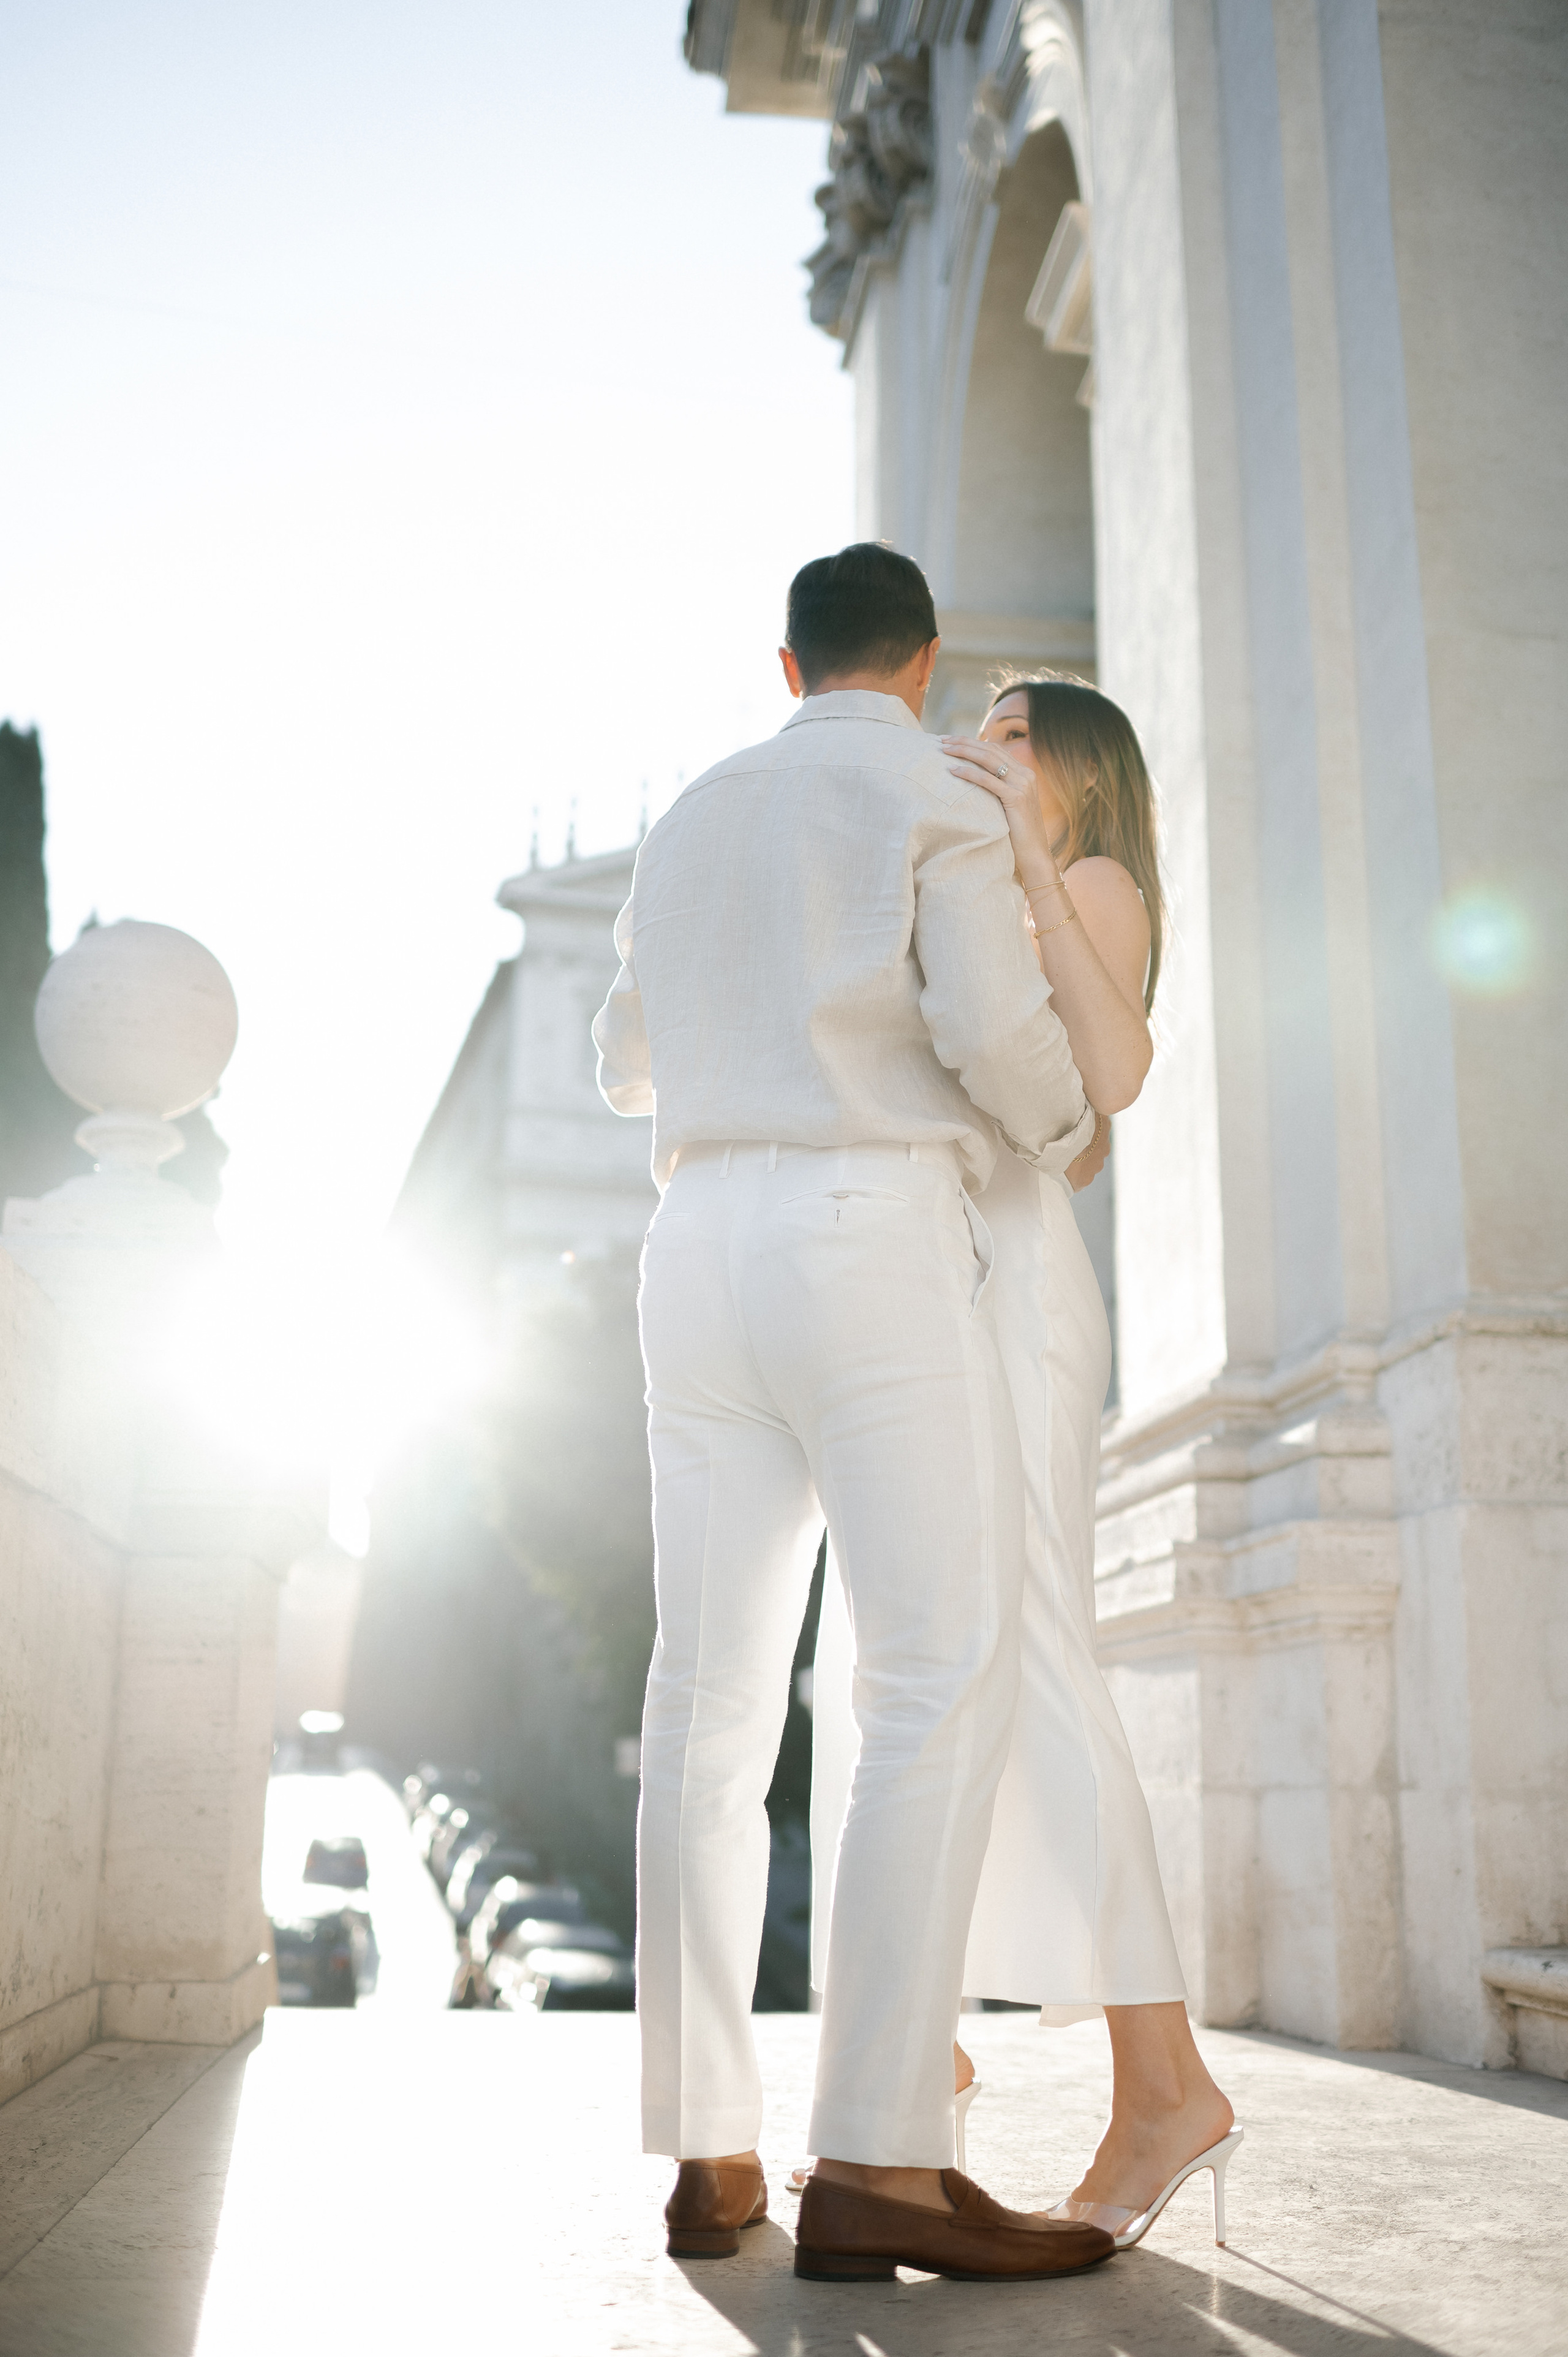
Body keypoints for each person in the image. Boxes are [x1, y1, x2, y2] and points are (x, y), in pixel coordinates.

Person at [593, 543, 1117, 2285]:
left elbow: (624, 1067)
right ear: (925, 660)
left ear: (787, 664)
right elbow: (989, 1024)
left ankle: (707, 2153)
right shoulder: (935, 787)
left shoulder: (691, 814)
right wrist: (1064, 1125)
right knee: (927, 1677)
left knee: (706, 1702)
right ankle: (883, 2158)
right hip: (870, 1230)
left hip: (693, 1247)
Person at [801, 677, 1240, 2253]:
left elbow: (1101, 1088)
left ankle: (1161, 2081)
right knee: (892, 1664)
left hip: (1014, 1295)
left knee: (1036, 1654)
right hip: (926, 1275)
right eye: (970, 715)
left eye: (1009, 724)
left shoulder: (1096, 882)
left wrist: (1033, 880)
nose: (980, 739)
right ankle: (919, 2054)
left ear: (1075, 770)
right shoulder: (973, 881)